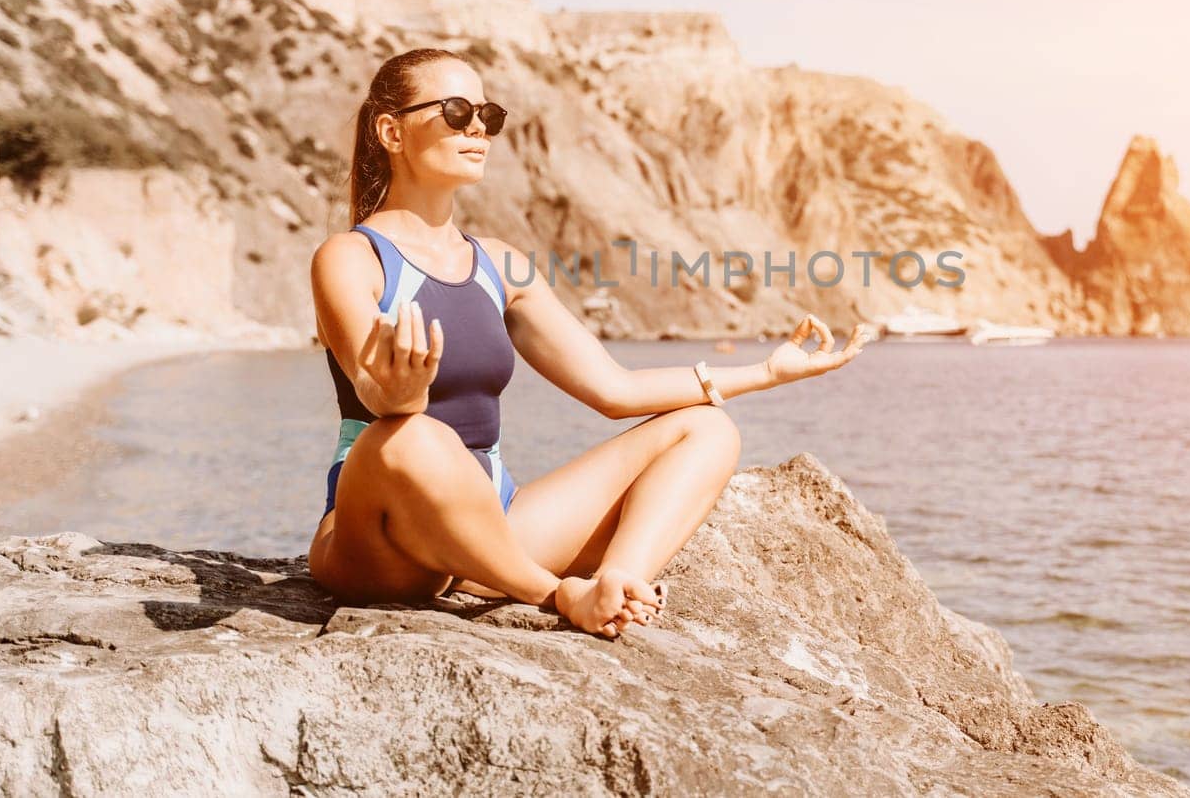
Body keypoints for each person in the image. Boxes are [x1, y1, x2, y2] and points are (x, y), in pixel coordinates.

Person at [306, 48, 870, 637]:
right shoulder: (351, 257)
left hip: (494, 528)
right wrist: (399, 394)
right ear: (391, 131)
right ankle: (555, 595)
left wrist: (767, 372)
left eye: (487, 115)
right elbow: (373, 387)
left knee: (706, 429)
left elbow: (615, 388)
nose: (477, 126)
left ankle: (618, 587)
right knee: (411, 435)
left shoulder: (500, 265)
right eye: (453, 111)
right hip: (380, 538)